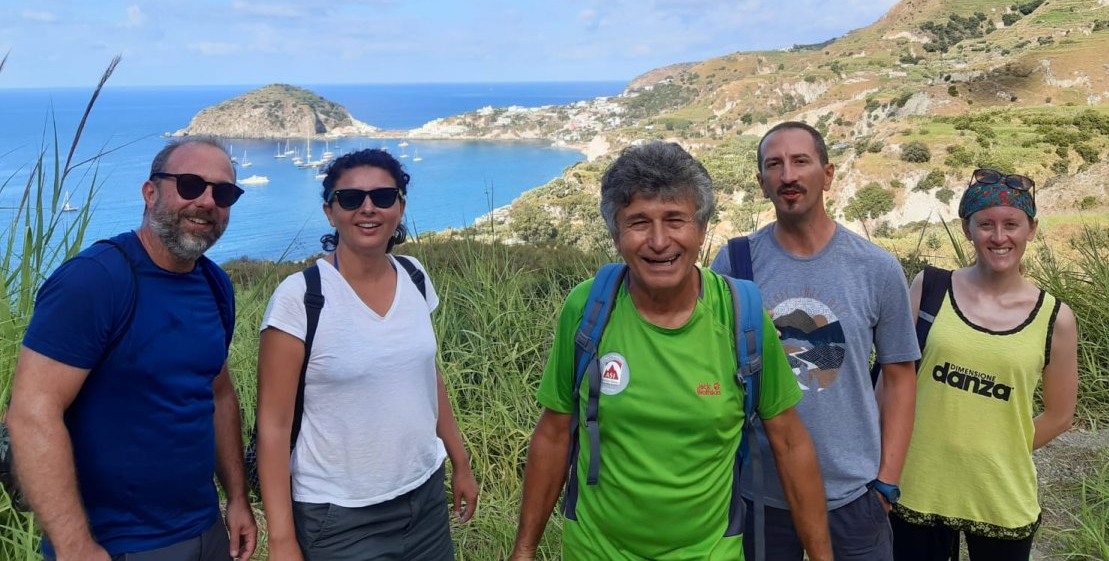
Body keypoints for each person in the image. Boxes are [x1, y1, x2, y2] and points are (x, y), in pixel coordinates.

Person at [510, 140, 833, 561]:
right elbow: (554, 433)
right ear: (616, 235)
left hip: (708, 552)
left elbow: (790, 443)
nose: (659, 241)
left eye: (676, 220)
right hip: (595, 549)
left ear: (701, 229)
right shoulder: (588, 308)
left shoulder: (743, 316)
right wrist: (523, 550)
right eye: (639, 222)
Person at [8, 136, 256, 561]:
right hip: (118, 545)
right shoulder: (95, 281)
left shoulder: (215, 285)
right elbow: (32, 413)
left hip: (206, 530)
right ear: (150, 192)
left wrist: (236, 498)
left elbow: (218, 393)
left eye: (223, 192)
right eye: (191, 185)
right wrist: (74, 545)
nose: (207, 201)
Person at [256, 148, 478, 561]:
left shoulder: (414, 275)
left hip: (425, 497)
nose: (368, 208)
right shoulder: (300, 298)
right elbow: (273, 426)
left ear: (400, 207)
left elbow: (427, 377)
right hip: (339, 516)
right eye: (351, 198)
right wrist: (282, 539)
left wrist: (460, 461)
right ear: (330, 212)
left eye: (383, 196)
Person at [711, 121, 918, 561]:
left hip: (853, 492)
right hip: (761, 493)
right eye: (774, 165)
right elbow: (711, 368)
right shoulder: (734, 263)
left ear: (827, 174)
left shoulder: (876, 268)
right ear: (762, 184)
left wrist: (887, 481)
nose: (788, 175)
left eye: (800, 161)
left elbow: (900, 376)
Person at [889, 168, 1078, 561]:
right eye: (986, 224)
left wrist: (997, 447)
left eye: (1012, 224)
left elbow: (1060, 416)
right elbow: (893, 379)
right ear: (967, 229)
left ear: (1031, 229)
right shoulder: (929, 288)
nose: (999, 237)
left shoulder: (1055, 318)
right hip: (917, 486)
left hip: (1000, 494)